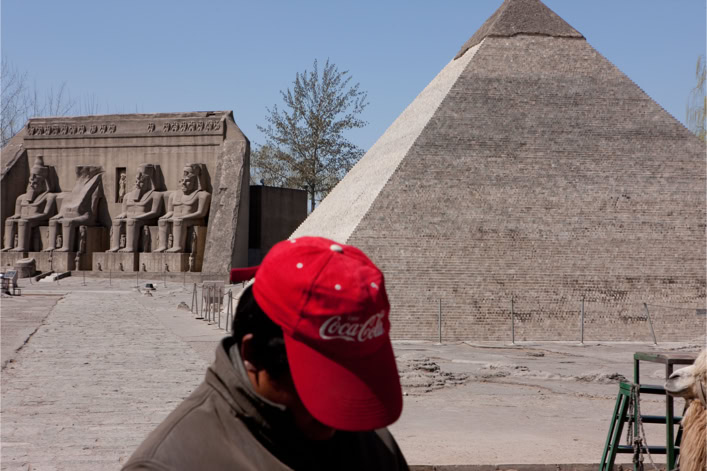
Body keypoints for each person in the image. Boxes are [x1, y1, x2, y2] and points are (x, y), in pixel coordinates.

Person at [123, 236, 408, 470]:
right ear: (253, 355)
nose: (338, 416)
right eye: (321, 386)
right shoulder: (169, 464)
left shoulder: (374, 445)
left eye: (356, 383)